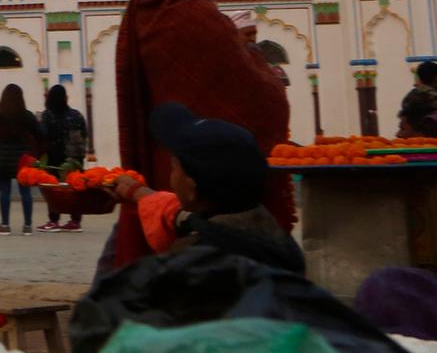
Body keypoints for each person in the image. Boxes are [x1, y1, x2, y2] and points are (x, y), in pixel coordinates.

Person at [111, 0, 293, 271]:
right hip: (210, 176)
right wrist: (249, 52)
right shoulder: (199, 16)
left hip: (162, 162)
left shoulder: (140, 10)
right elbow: (262, 97)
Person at [107, 103, 304, 274]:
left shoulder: (191, 261)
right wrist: (137, 193)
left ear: (192, 190)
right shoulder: (279, 241)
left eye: (174, 169)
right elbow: (181, 215)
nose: (172, 178)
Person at [0, 83, 44, 235]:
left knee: (5, 191)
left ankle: (5, 224)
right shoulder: (27, 116)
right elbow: (39, 134)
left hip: (3, 156)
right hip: (22, 158)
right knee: (25, 192)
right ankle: (27, 225)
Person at [37, 84, 90, 233]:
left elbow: (43, 136)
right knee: (75, 188)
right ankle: (75, 221)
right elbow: (84, 135)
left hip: (54, 158)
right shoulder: (76, 115)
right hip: (75, 158)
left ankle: (54, 220)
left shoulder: (48, 115)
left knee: (53, 189)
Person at [400, 61, 437, 135]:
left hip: (410, 135)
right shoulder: (435, 97)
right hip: (429, 136)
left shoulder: (410, 95)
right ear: (436, 77)